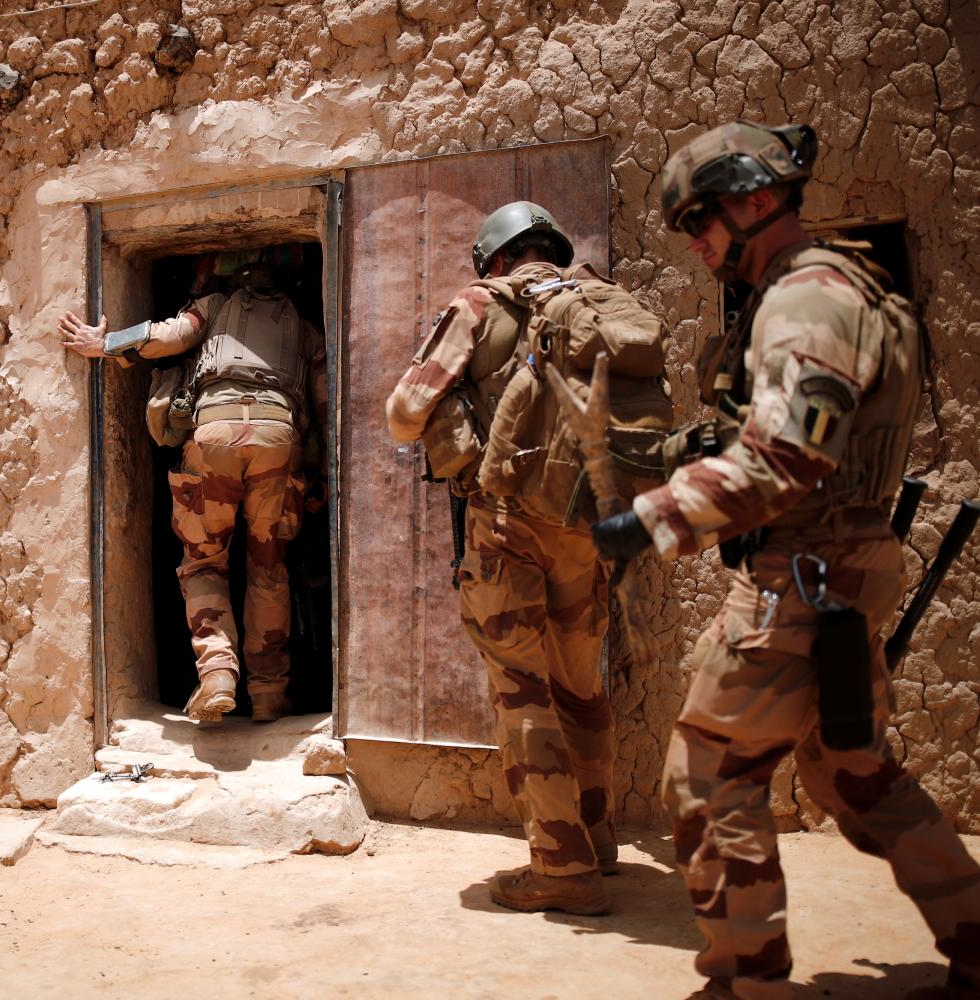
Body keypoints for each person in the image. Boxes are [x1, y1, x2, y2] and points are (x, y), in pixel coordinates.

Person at [592, 121, 980, 999]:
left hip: (800, 578)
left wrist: (650, 519)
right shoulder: (849, 290)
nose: (696, 244)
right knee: (856, 775)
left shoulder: (806, 298)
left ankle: (746, 980)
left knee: (706, 777)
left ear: (754, 199)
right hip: (842, 568)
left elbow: (784, 458)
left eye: (702, 221)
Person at [385, 202, 618, 916]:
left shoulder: (481, 304)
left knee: (523, 690)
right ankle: (597, 839)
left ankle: (561, 866)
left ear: (493, 259)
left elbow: (402, 412)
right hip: (587, 522)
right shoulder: (595, 303)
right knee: (582, 684)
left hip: (508, 521)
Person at [58, 259, 327, 723]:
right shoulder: (305, 331)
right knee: (269, 567)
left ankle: (218, 673)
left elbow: (171, 335)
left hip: (214, 437)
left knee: (204, 560)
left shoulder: (215, 305)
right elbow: (328, 404)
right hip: (280, 440)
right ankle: (268, 694)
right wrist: (322, 475)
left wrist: (105, 343)